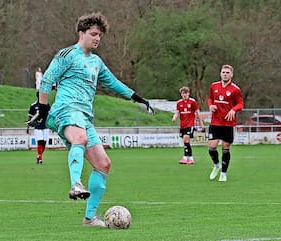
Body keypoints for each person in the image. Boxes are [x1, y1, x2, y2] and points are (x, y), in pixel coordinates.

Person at [36, 12, 155, 227]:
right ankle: (75, 185)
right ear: (81, 33)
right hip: (65, 109)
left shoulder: (96, 62)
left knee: (103, 164)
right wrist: (43, 108)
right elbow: (47, 80)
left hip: (84, 116)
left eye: (99, 35)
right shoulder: (67, 55)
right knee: (79, 138)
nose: (97, 38)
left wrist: (137, 98)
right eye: (93, 34)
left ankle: (90, 218)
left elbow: (113, 83)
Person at [207, 65, 244, 182]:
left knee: (225, 148)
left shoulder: (235, 89)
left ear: (231, 75)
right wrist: (211, 105)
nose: (225, 74)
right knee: (211, 148)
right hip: (215, 122)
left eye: (227, 72)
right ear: (220, 73)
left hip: (228, 123)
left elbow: (240, 104)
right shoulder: (214, 86)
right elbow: (210, 98)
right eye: (223, 72)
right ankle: (217, 165)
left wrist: (233, 110)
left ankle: (223, 173)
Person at [172, 86, 204, 165]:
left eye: (186, 93)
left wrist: (201, 124)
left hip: (190, 124)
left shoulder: (192, 102)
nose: (184, 95)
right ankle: (189, 158)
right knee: (186, 142)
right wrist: (174, 117)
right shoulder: (179, 103)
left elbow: (198, 113)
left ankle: (186, 157)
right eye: (183, 93)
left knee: (186, 139)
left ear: (188, 93)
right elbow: (177, 112)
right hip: (182, 125)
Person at [26, 92, 50, 164]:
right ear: (38, 96)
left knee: (44, 143)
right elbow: (29, 117)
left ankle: (39, 155)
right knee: (40, 141)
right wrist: (28, 127)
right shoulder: (33, 105)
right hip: (37, 126)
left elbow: (50, 115)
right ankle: (40, 158)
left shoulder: (47, 105)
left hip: (45, 126)